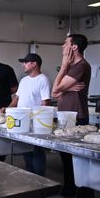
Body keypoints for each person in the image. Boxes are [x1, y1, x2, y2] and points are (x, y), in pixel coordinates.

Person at [52, 34, 93, 197]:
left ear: (74, 47)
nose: (63, 46)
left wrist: (63, 67)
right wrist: (66, 88)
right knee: (66, 159)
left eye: (65, 43)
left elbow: (56, 89)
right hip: (66, 116)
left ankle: (83, 193)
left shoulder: (81, 66)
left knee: (79, 160)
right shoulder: (71, 66)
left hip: (77, 116)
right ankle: (69, 190)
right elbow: (55, 92)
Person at [0, 53, 51, 176]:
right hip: (22, 121)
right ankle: (31, 176)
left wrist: (41, 122)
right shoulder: (24, 80)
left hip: (35, 123)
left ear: (34, 64)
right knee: (26, 150)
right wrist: (7, 109)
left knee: (37, 150)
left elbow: (46, 102)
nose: (23, 65)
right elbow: (16, 99)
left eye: (26, 62)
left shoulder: (43, 79)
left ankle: (40, 179)